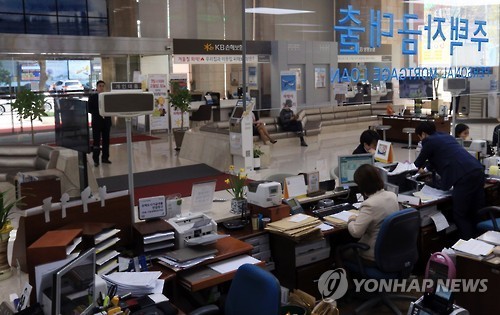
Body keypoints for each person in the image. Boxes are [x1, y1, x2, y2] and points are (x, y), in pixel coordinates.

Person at [414, 121, 484, 239]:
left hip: (463, 177)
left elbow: (417, 163)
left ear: (423, 134)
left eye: (420, 137)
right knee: (474, 210)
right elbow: (438, 156)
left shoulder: (428, 141)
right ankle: (479, 241)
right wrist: (426, 169)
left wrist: (417, 168)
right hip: (477, 170)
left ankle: (467, 248)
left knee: (459, 214)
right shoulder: (445, 136)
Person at [345, 164, 400, 261]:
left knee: (342, 253)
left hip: (373, 253)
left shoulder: (369, 204)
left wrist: (351, 219)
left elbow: (356, 232)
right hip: (392, 250)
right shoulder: (392, 196)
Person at [88, 80, 111, 167]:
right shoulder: (92, 97)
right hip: (97, 122)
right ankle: (96, 160)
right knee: (96, 141)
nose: (101, 88)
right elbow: (89, 109)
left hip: (106, 122)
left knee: (106, 141)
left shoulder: (107, 97)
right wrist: (98, 113)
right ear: (97, 87)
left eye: (103, 86)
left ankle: (105, 158)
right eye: (100, 86)